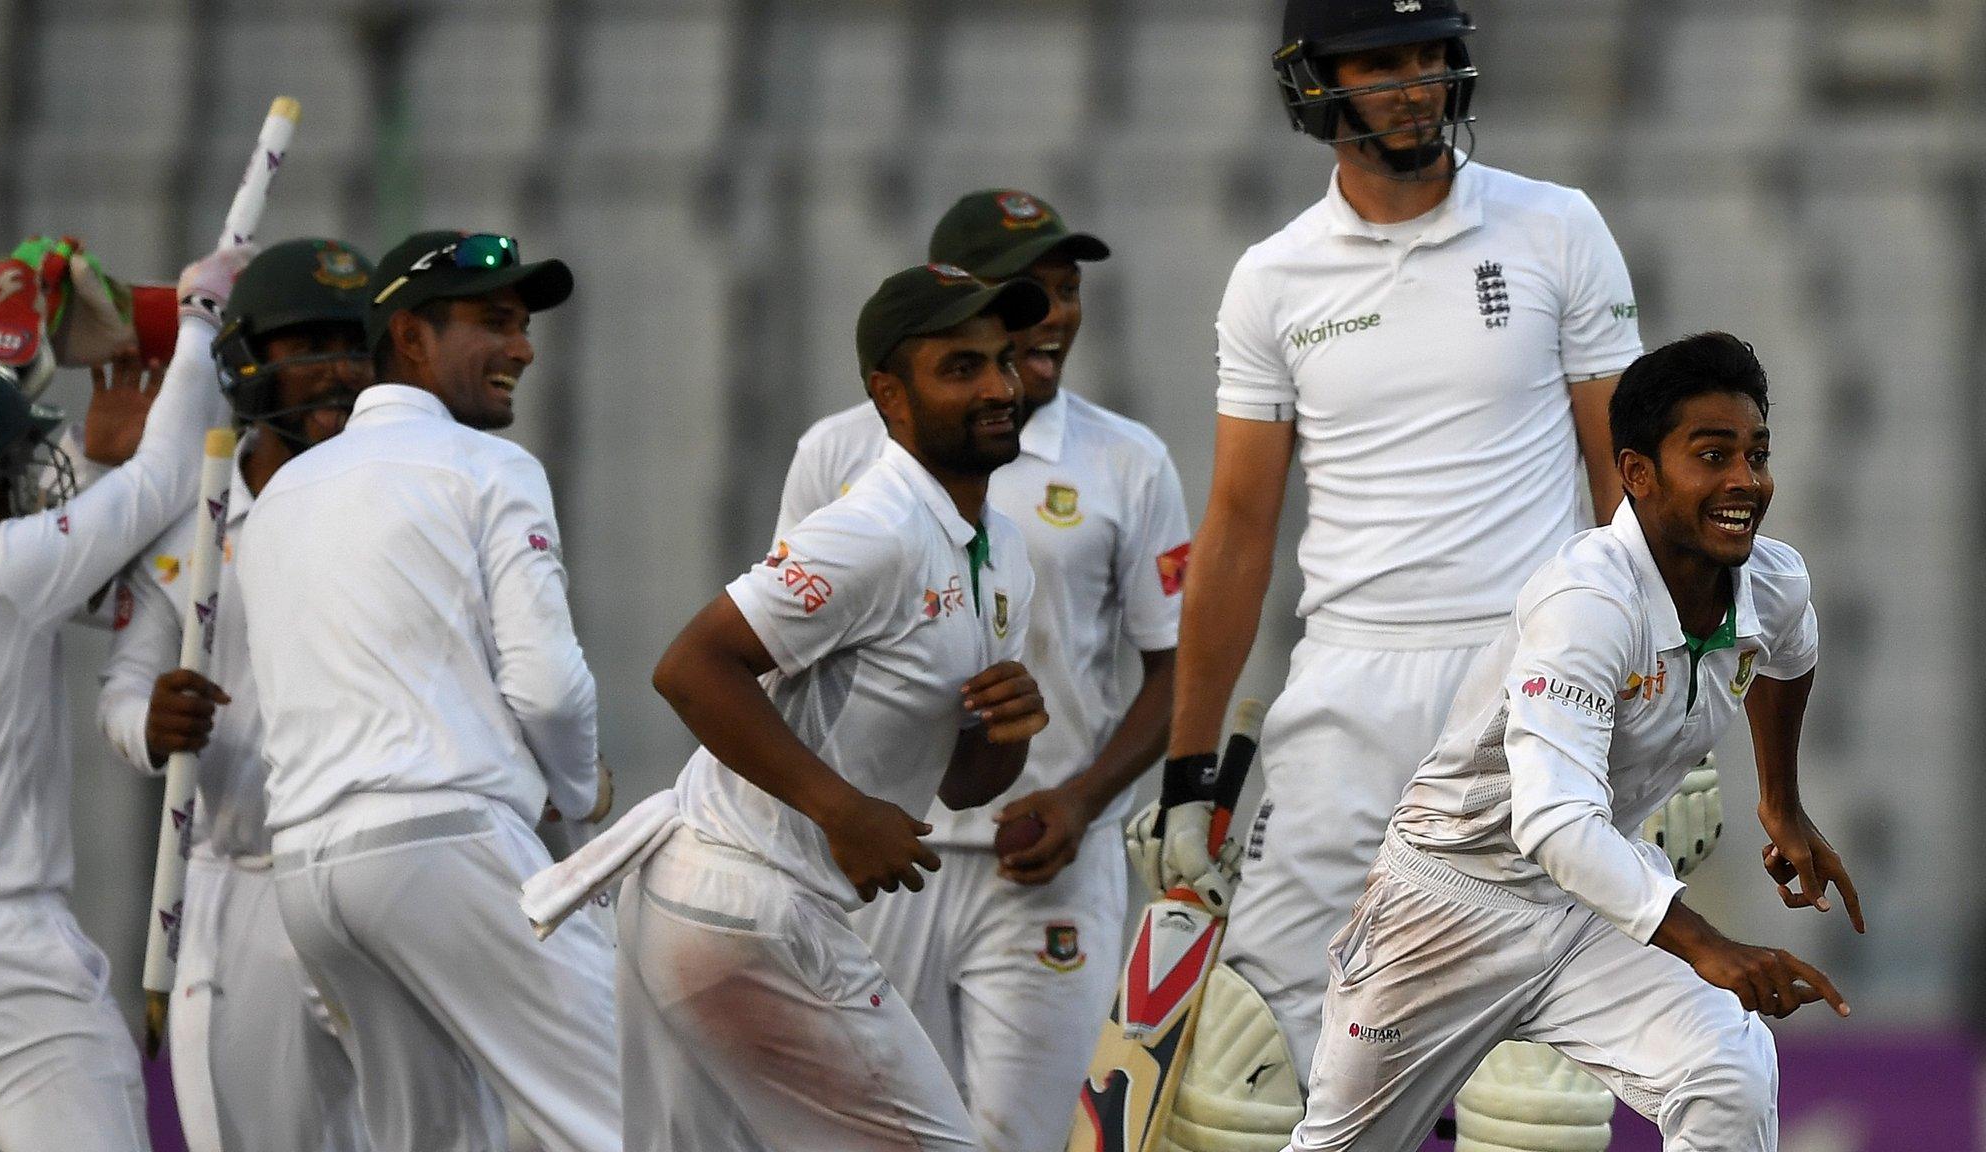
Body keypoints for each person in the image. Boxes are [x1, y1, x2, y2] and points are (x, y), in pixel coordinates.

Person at [1149, 0, 1653, 1138]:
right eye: (1381, 62)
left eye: (1431, 56)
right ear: (1311, 82)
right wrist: (1191, 774)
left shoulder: (1555, 227)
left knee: (1533, 1100)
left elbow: (1625, 477)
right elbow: (1235, 529)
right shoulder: (1270, 280)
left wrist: (1665, 685)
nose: (1417, 84)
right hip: (1344, 688)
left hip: (1525, 677)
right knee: (1243, 1077)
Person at [1293, 331, 1861, 1151]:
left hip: (1592, 905)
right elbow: (1554, 822)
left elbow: (1791, 652)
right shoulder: (1588, 600)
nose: (1745, 481)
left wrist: (1783, 803)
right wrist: (1709, 948)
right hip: (1448, 901)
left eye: (1756, 453)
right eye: (1712, 455)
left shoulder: (1773, 581)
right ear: (1637, 473)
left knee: (1728, 1074)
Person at [775, 189, 1191, 1150]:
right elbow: (782, 660)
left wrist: (1085, 798)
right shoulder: (837, 453)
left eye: (1067, 288)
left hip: (1045, 857)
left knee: (1025, 1137)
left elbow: (1178, 668)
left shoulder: (1127, 461)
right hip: (885, 861)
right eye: (1025, 293)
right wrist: (834, 816)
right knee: (876, 1133)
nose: (1054, 316)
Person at [616, 264, 1051, 1149]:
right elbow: (692, 667)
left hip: (722, 903)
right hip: (743, 900)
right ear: (890, 396)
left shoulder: (1001, 552)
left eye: (1004, 362)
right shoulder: (871, 528)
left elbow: (966, 784)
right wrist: (843, 812)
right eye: (960, 368)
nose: (1000, 388)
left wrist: (1009, 735)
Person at [234, 231, 621, 1152]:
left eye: (524, 325)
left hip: (310, 875)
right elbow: (549, 689)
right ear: (409, 336)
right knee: (641, 1109)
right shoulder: (489, 468)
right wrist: (578, 796)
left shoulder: (280, 496)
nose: (523, 346)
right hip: (442, 841)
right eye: (494, 322)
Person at [0, 244, 246, 1151]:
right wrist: (196, 321)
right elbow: (160, 490)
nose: (41, 472)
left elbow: (108, 580)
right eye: (21, 461)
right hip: (0, 956)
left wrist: (103, 456)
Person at [97, 238, 377, 1152]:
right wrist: (150, 722)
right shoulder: (195, 517)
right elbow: (123, 690)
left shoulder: (400, 492)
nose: (337, 372)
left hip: (380, 874)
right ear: (251, 359)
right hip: (241, 881)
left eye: (352, 345)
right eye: (308, 347)